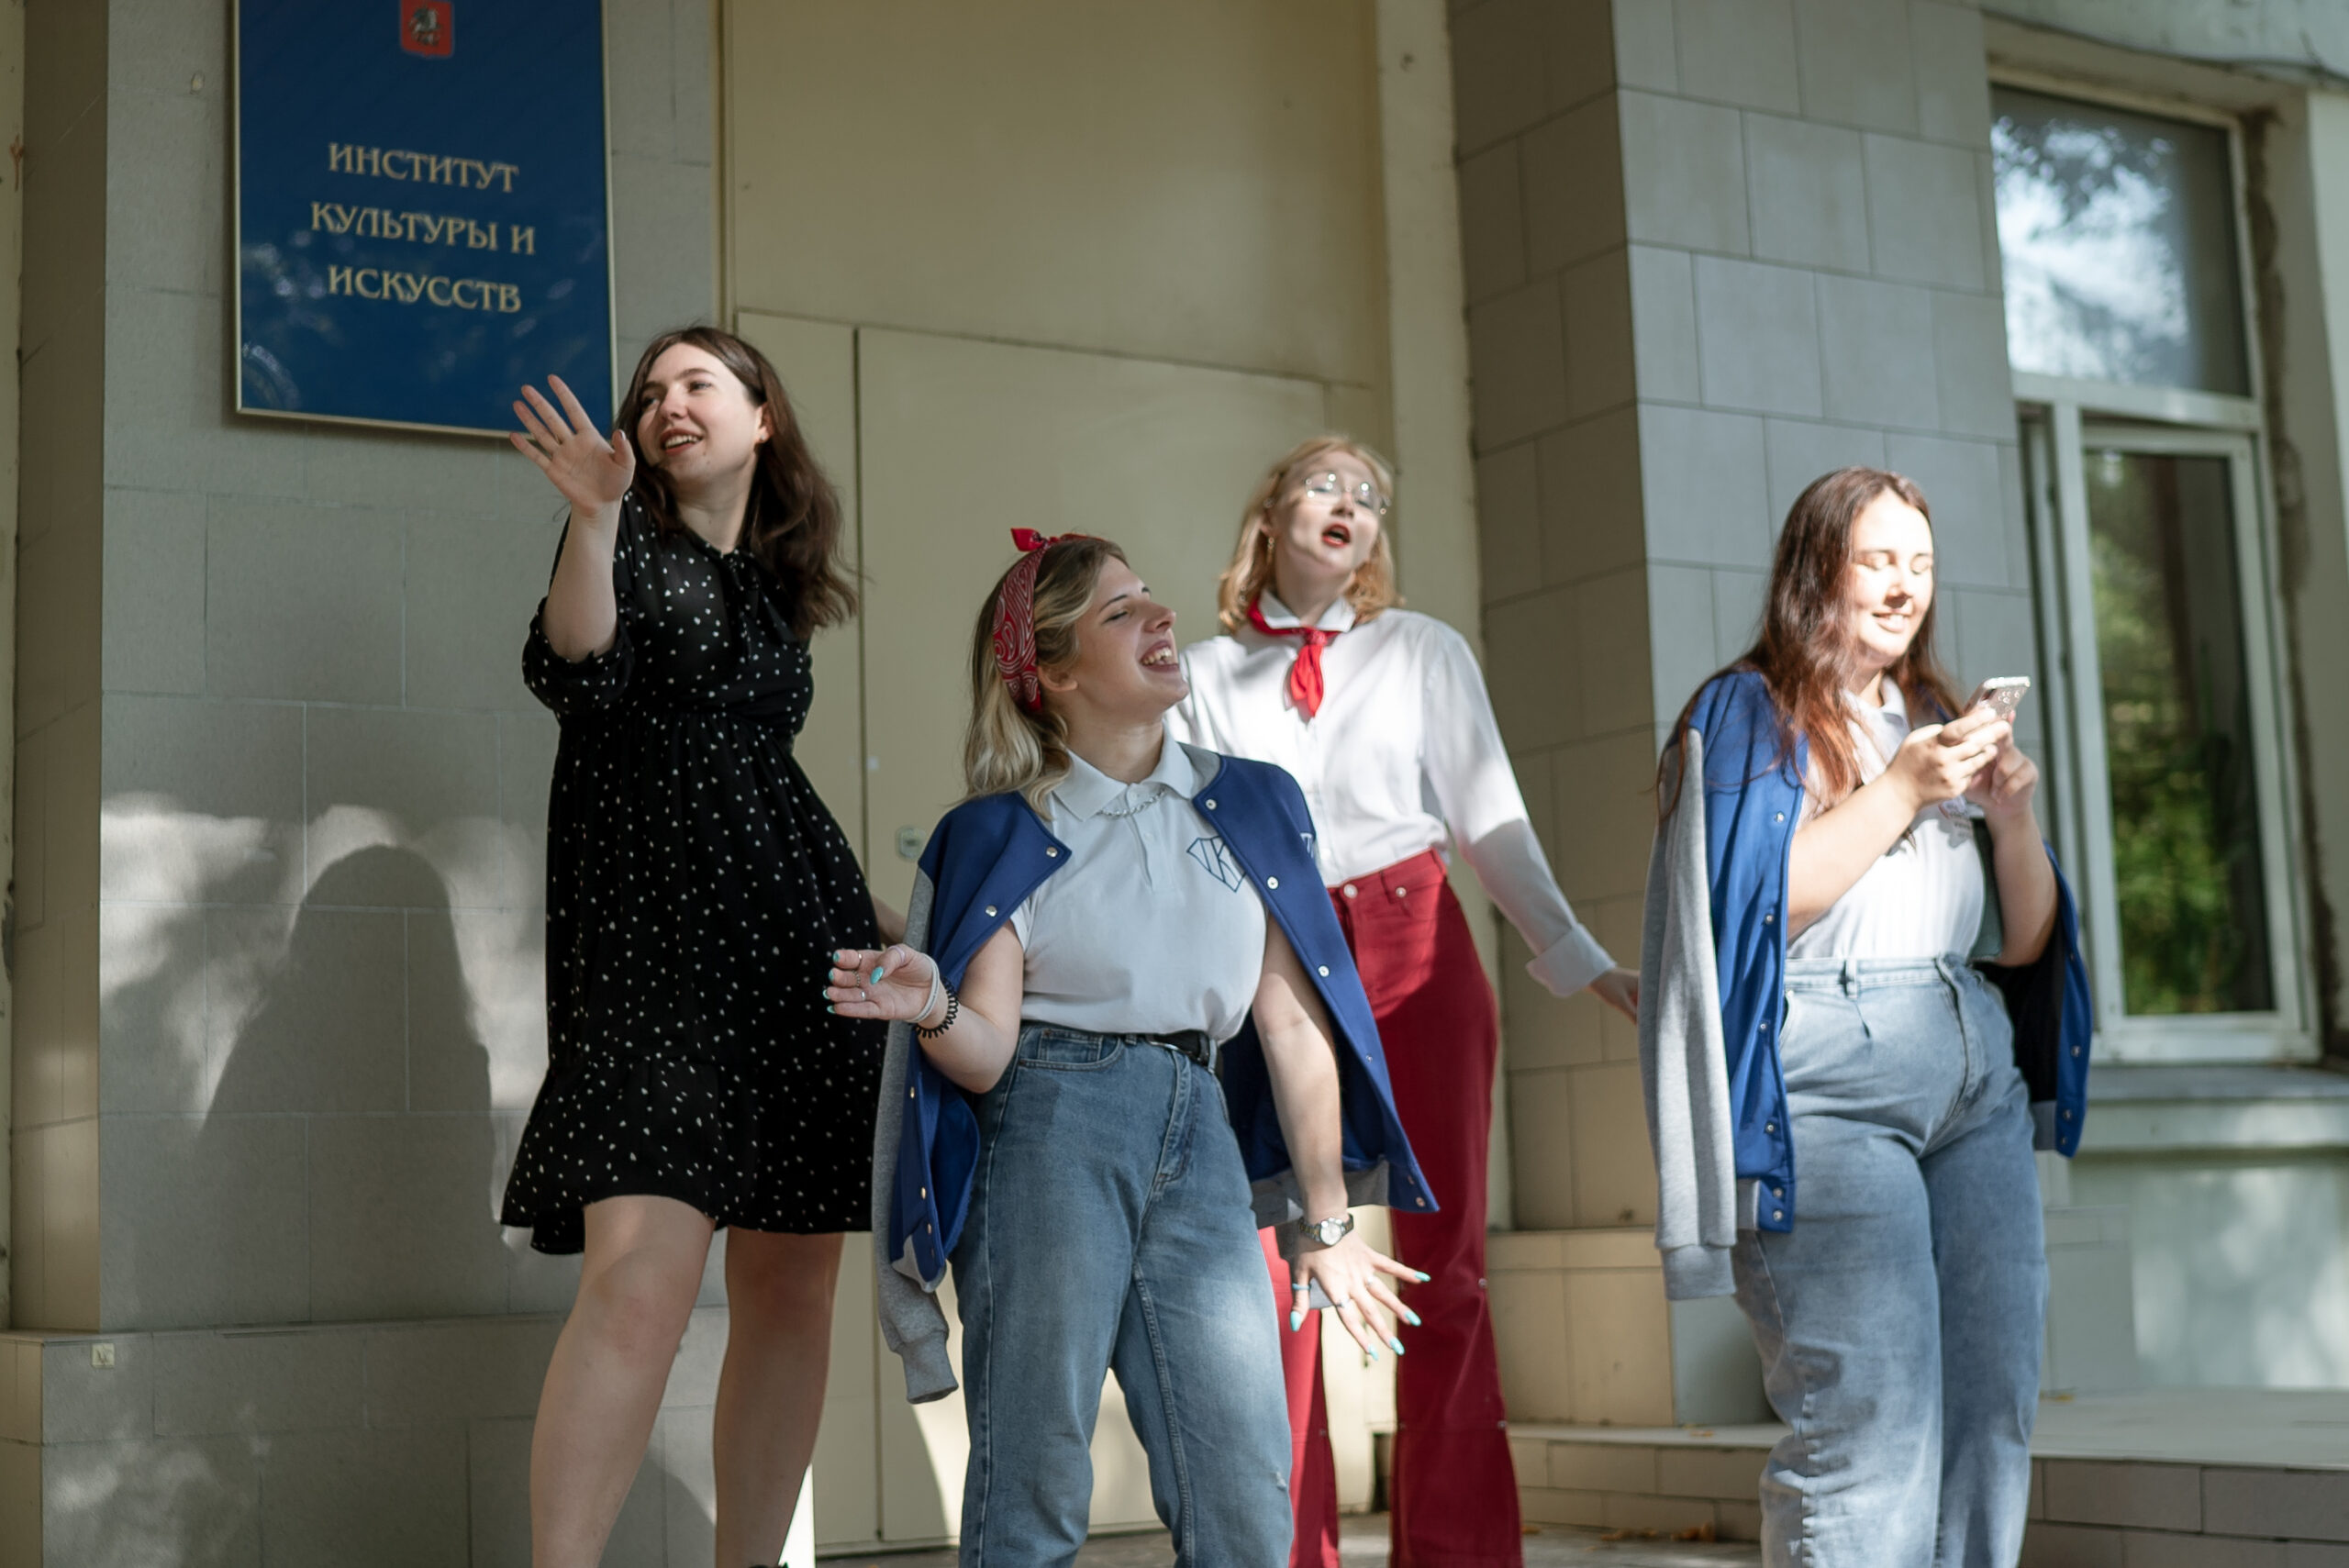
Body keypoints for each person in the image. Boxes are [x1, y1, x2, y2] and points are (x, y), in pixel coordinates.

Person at [842, 531, 1433, 1567]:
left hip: (1200, 1123)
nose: (1162, 616)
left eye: (1150, 596)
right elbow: (983, 1055)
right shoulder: (1001, 828)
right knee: (1035, 1475)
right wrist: (931, 1003)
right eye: (1120, 612)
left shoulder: (1253, 799)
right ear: (1056, 673)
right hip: (1047, 1120)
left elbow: (1292, 1023)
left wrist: (1327, 1216)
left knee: (1244, 1484)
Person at [1169, 436, 1635, 1568]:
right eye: (1325, 483)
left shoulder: (1423, 649)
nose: (1352, 503)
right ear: (1270, 514)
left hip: (1415, 935)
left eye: (1370, 495)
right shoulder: (1202, 671)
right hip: (1275, 954)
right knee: (1277, 1265)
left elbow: (1490, 818)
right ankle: (1283, 1549)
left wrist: (1579, 956)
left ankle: (1457, 1550)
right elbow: (1187, 848)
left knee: (1447, 1264)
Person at [1638, 467, 2092, 1567]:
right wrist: (1897, 790)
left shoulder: (1931, 712)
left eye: (1919, 564)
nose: (1903, 586)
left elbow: (2024, 939)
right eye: (1877, 559)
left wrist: (2012, 817)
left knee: (1990, 1406)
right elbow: (1746, 907)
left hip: (1967, 1057)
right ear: (1816, 569)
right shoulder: (1744, 710)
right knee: (1868, 1423)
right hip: (1827, 1074)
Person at [503, 327, 896, 1568]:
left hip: (796, 960)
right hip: (650, 971)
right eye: (653, 391)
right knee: (638, 1285)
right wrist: (592, 518)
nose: (669, 403)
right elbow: (575, 666)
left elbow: (763, 785)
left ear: (762, 417)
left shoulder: (776, 587)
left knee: (792, 1293)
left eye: (699, 384)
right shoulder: (621, 535)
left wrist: (897, 920)